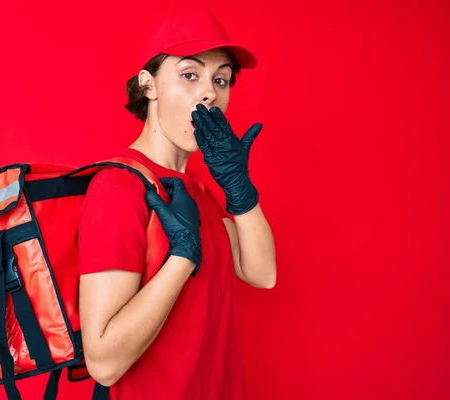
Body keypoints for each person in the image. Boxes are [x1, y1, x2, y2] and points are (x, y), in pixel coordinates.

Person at [77, 10, 277, 400]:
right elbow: (103, 363)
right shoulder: (119, 187)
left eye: (221, 79)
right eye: (190, 75)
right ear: (147, 85)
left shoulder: (197, 189)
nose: (209, 93)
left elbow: (261, 272)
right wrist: (182, 258)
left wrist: (239, 191)